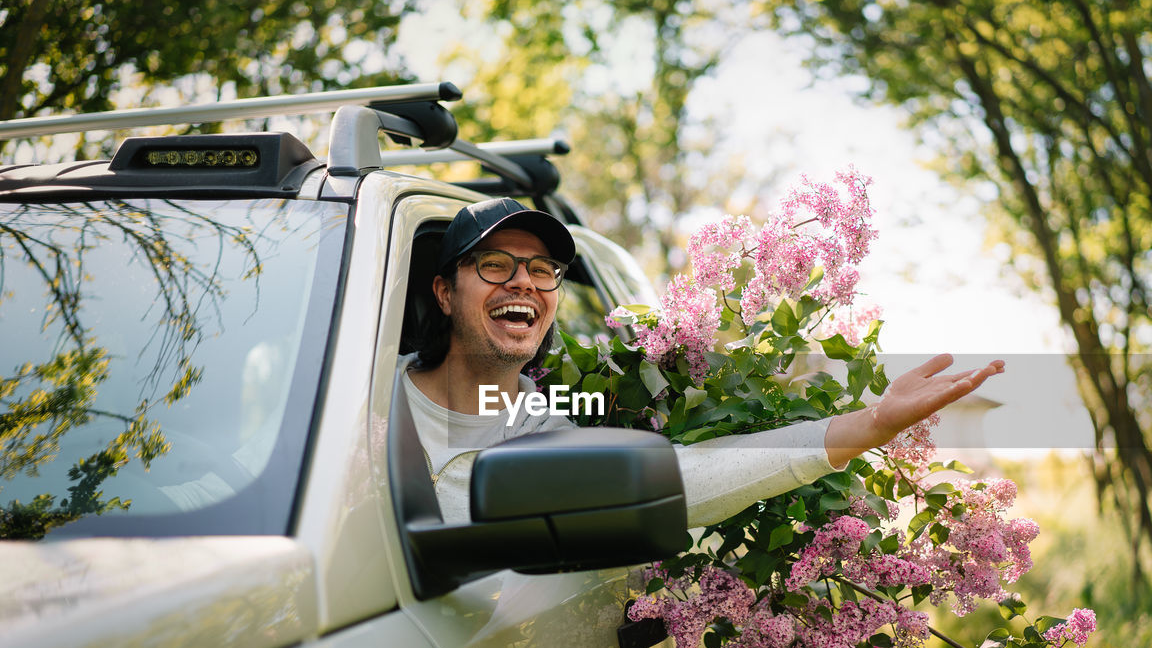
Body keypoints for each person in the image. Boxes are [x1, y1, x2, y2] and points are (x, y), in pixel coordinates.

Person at [401, 197, 1003, 525]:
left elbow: (684, 480)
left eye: (542, 271)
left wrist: (870, 426)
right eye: (495, 265)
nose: (524, 284)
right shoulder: (350, 388)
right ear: (445, 292)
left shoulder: (546, 427)